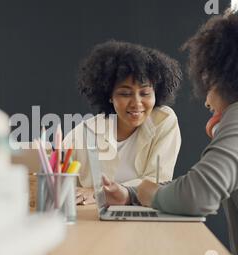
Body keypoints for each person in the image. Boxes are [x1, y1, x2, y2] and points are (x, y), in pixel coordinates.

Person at [102, 6, 238, 255]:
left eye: (208, 82)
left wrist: (150, 193)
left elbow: (198, 196)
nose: (206, 100)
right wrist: (132, 194)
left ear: (226, 78)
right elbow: (197, 185)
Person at [63, 40, 182, 205]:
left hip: (144, 221)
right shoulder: (82, 134)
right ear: (109, 96)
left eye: (145, 93)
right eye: (125, 94)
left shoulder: (164, 121)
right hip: (96, 222)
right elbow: (60, 184)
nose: (137, 103)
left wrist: (99, 193)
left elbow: (157, 182)